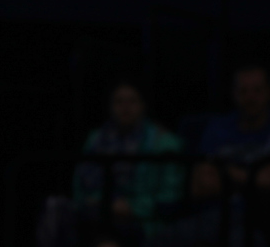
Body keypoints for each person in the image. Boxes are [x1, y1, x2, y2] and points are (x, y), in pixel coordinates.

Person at [72, 81, 185, 238]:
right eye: (119, 101)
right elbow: (79, 186)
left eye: (132, 100)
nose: (125, 107)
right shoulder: (95, 139)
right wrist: (104, 203)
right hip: (95, 210)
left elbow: (169, 197)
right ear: (110, 106)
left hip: (143, 220)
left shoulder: (165, 143)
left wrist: (132, 207)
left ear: (143, 105)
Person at [193, 67, 270, 202]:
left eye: (257, 90)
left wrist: (227, 173)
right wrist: (257, 180)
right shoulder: (216, 128)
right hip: (221, 213)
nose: (250, 97)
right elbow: (202, 185)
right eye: (243, 91)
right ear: (233, 94)